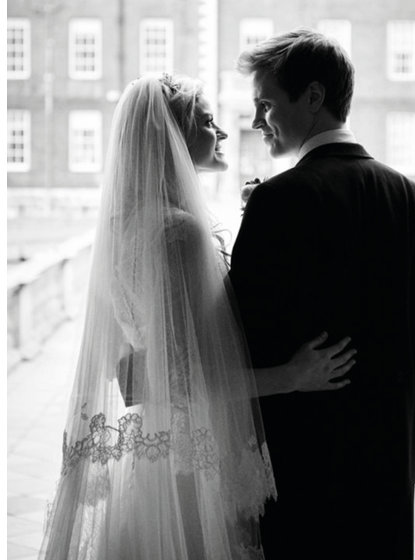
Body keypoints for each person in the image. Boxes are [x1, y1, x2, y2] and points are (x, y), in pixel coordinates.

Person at [39, 74, 356, 559]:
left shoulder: (122, 228)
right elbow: (188, 379)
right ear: (175, 138)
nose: (223, 132)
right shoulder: (178, 232)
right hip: (193, 456)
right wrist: (294, 375)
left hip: (154, 448)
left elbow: (130, 370)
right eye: (208, 122)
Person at [230, 29, 415, 557]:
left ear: (313, 97)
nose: (257, 121)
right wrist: (407, 459)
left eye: (265, 104)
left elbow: (237, 336)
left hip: (299, 466)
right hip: (390, 466)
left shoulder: (278, 201)